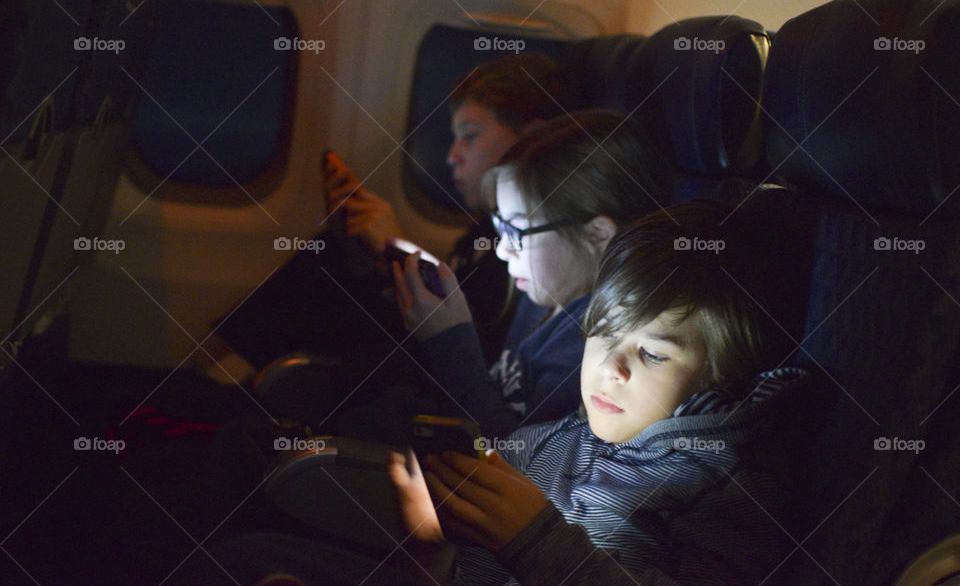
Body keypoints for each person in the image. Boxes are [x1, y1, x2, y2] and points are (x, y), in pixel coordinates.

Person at [184, 194, 808, 585]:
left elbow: (535, 543)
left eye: (650, 353)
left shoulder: (731, 490)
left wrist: (535, 543)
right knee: (247, 560)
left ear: (727, 373)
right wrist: (435, 516)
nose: (608, 370)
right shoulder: (577, 431)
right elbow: (493, 496)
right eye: (602, 335)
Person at [211, 54, 572, 379]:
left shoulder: (528, 247)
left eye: (470, 137)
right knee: (338, 253)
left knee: (334, 273)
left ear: (532, 139)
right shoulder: (479, 232)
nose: (452, 156)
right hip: (414, 355)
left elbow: (473, 350)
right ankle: (225, 377)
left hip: (429, 378)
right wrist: (375, 259)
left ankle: (225, 385)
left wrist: (397, 247)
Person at [392, 109, 673, 438]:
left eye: (516, 231)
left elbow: (520, 464)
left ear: (596, 235)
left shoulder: (587, 349)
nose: (501, 249)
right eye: (499, 228)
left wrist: (449, 343)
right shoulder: (541, 295)